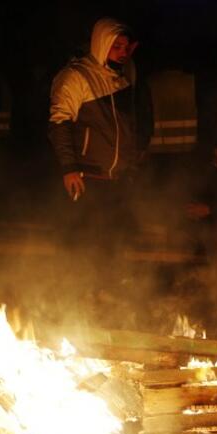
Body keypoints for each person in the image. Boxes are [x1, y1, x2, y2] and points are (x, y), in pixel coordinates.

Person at [48, 17, 143, 283]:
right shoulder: (76, 77)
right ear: (102, 45)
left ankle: (107, 302)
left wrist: (132, 166)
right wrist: (69, 168)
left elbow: (129, 128)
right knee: (82, 246)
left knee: (114, 247)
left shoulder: (121, 78)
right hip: (87, 178)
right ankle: (73, 302)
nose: (123, 53)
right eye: (116, 46)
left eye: (126, 47)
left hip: (118, 179)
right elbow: (59, 123)